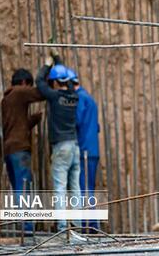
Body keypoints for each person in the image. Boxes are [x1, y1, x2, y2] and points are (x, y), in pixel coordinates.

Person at [35, 50, 81, 232]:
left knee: (60, 188)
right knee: (75, 188)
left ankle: (62, 226)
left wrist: (47, 64)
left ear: (55, 82)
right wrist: (58, 60)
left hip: (61, 147)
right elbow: (67, 80)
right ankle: (76, 225)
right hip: (74, 147)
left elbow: (39, 82)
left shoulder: (55, 97)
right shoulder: (73, 96)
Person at [2, 68, 44, 233]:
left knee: (18, 188)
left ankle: (24, 225)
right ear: (25, 83)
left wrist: (33, 120)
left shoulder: (6, 98)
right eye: (29, 85)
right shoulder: (20, 92)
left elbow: (17, 125)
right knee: (24, 188)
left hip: (9, 150)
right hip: (20, 149)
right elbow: (40, 93)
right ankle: (27, 227)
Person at [67, 68, 100, 231]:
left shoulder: (79, 98)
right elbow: (96, 126)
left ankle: (90, 226)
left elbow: (76, 121)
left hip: (84, 150)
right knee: (89, 187)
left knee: (83, 188)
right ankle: (92, 225)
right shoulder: (90, 99)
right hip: (93, 149)